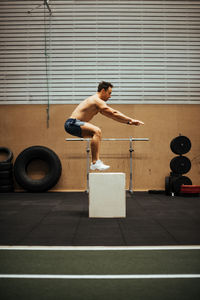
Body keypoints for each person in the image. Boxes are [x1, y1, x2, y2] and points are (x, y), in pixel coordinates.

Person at [65, 81, 144, 171]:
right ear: (103, 91)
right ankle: (95, 162)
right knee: (97, 131)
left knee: (96, 134)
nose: (110, 96)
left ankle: (95, 162)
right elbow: (114, 112)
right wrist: (131, 119)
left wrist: (129, 123)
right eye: (109, 93)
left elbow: (113, 116)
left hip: (73, 125)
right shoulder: (96, 100)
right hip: (72, 123)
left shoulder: (97, 104)